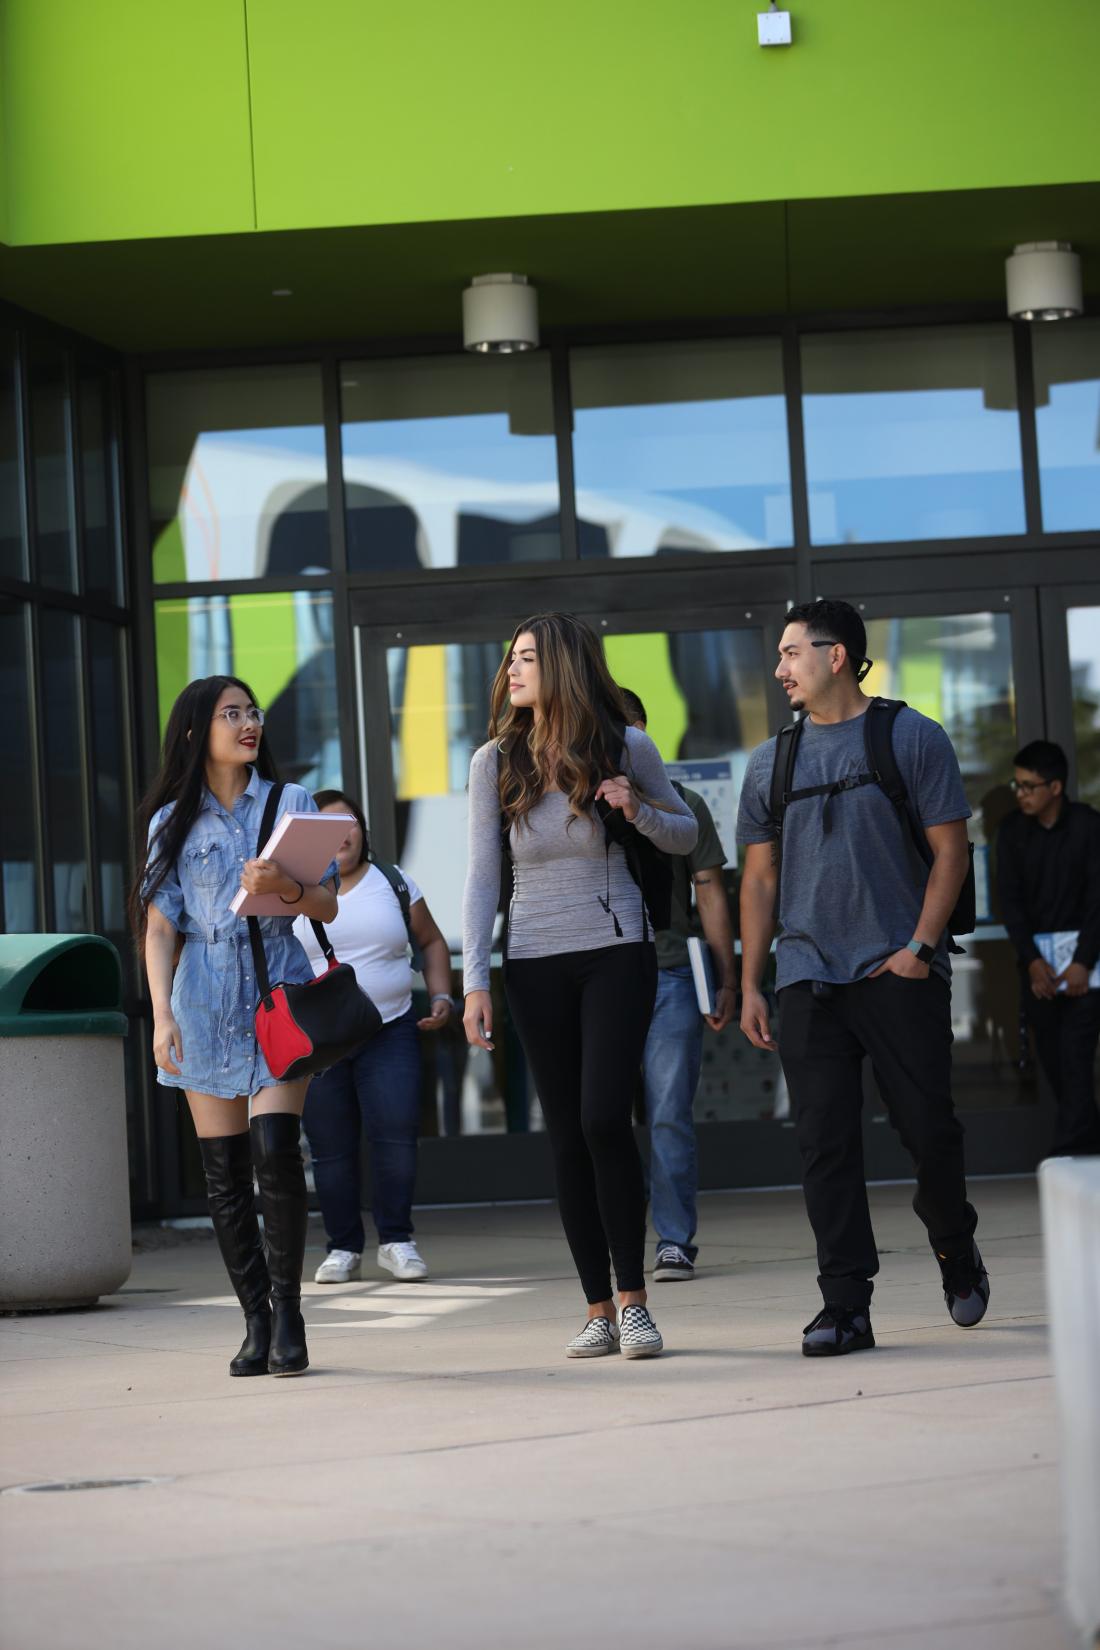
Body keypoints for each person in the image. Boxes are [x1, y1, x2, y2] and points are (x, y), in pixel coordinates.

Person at [736, 599, 989, 1357]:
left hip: (898, 968)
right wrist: (752, 981)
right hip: (808, 973)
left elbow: (952, 852)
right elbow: (757, 880)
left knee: (927, 1129)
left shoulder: (911, 737)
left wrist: (918, 946)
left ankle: (953, 1241)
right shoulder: (770, 762)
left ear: (835, 654)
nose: (779, 669)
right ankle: (845, 1304)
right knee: (824, 1143)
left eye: (789, 653)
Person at [462, 613, 697, 1359]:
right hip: (533, 960)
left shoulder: (626, 745)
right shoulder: (495, 760)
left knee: (603, 1118)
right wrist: (475, 981)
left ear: (561, 664)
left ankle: (635, 1302)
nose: (512, 671)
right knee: (566, 1133)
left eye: (526, 657)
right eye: (510, 658)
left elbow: (686, 831)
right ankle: (597, 1307)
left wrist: (637, 807)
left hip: (615, 950)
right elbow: (481, 878)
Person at [130, 676, 338, 1379]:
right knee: (223, 1177)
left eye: (251, 713)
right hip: (201, 1002)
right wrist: (161, 1015)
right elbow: (160, 928)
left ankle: (289, 1315)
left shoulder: (291, 804)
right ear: (196, 732)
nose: (249, 723)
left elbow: (327, 908)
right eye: (232, 714)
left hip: (278, 999)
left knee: (275, 1152)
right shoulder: (169, 821)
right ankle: (255, 1320)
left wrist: (283, 884)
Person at [294, 790, 455, 1283]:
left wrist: (442, 995)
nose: (341, 833)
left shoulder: (392, 881)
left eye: (350, 822)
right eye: (325, 826)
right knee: (331, 1149)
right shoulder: (290, 891)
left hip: (391, 1027)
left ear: (363, 830)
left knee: (396, 1138)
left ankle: (396, 1241)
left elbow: (430, 941)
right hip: (319, 1040)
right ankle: (342, 1247)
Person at [619, 687, 736, 1282]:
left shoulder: (684, 803)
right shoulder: (577, 807)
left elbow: (711, 890)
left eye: (632, 729)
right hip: (604, 977)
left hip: (667, 973)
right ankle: (616, 1237)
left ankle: (673, 1239)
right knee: (603, 1116)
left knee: (668, 1112)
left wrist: (725, 977)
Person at [996, 740, 1100, 1156]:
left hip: (1087, 967)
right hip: (1038, 967)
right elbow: (1011, 903)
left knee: (1076, 1058)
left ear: (1055, 788)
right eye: (1017, 785)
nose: (1020, 794)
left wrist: (1082, 963)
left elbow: (1098, 900)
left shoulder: (1088, 826)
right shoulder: (1011, 832)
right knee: (1055, 1062)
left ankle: (1070, 1155)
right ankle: (1088, 1148)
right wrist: (1032, 962)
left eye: (1029, 786)